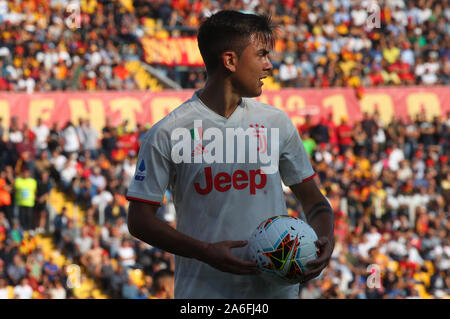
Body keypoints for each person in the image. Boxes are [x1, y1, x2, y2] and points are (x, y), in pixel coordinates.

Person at [127, 10, 334, 299]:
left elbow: (313, 199)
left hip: (275, 294)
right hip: (205, 296)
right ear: (230, 60)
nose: (269, 65)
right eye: (261, 55)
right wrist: (206, 252)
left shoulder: (277, 122)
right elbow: (139, 220)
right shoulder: (169, 132)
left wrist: (325, 237)